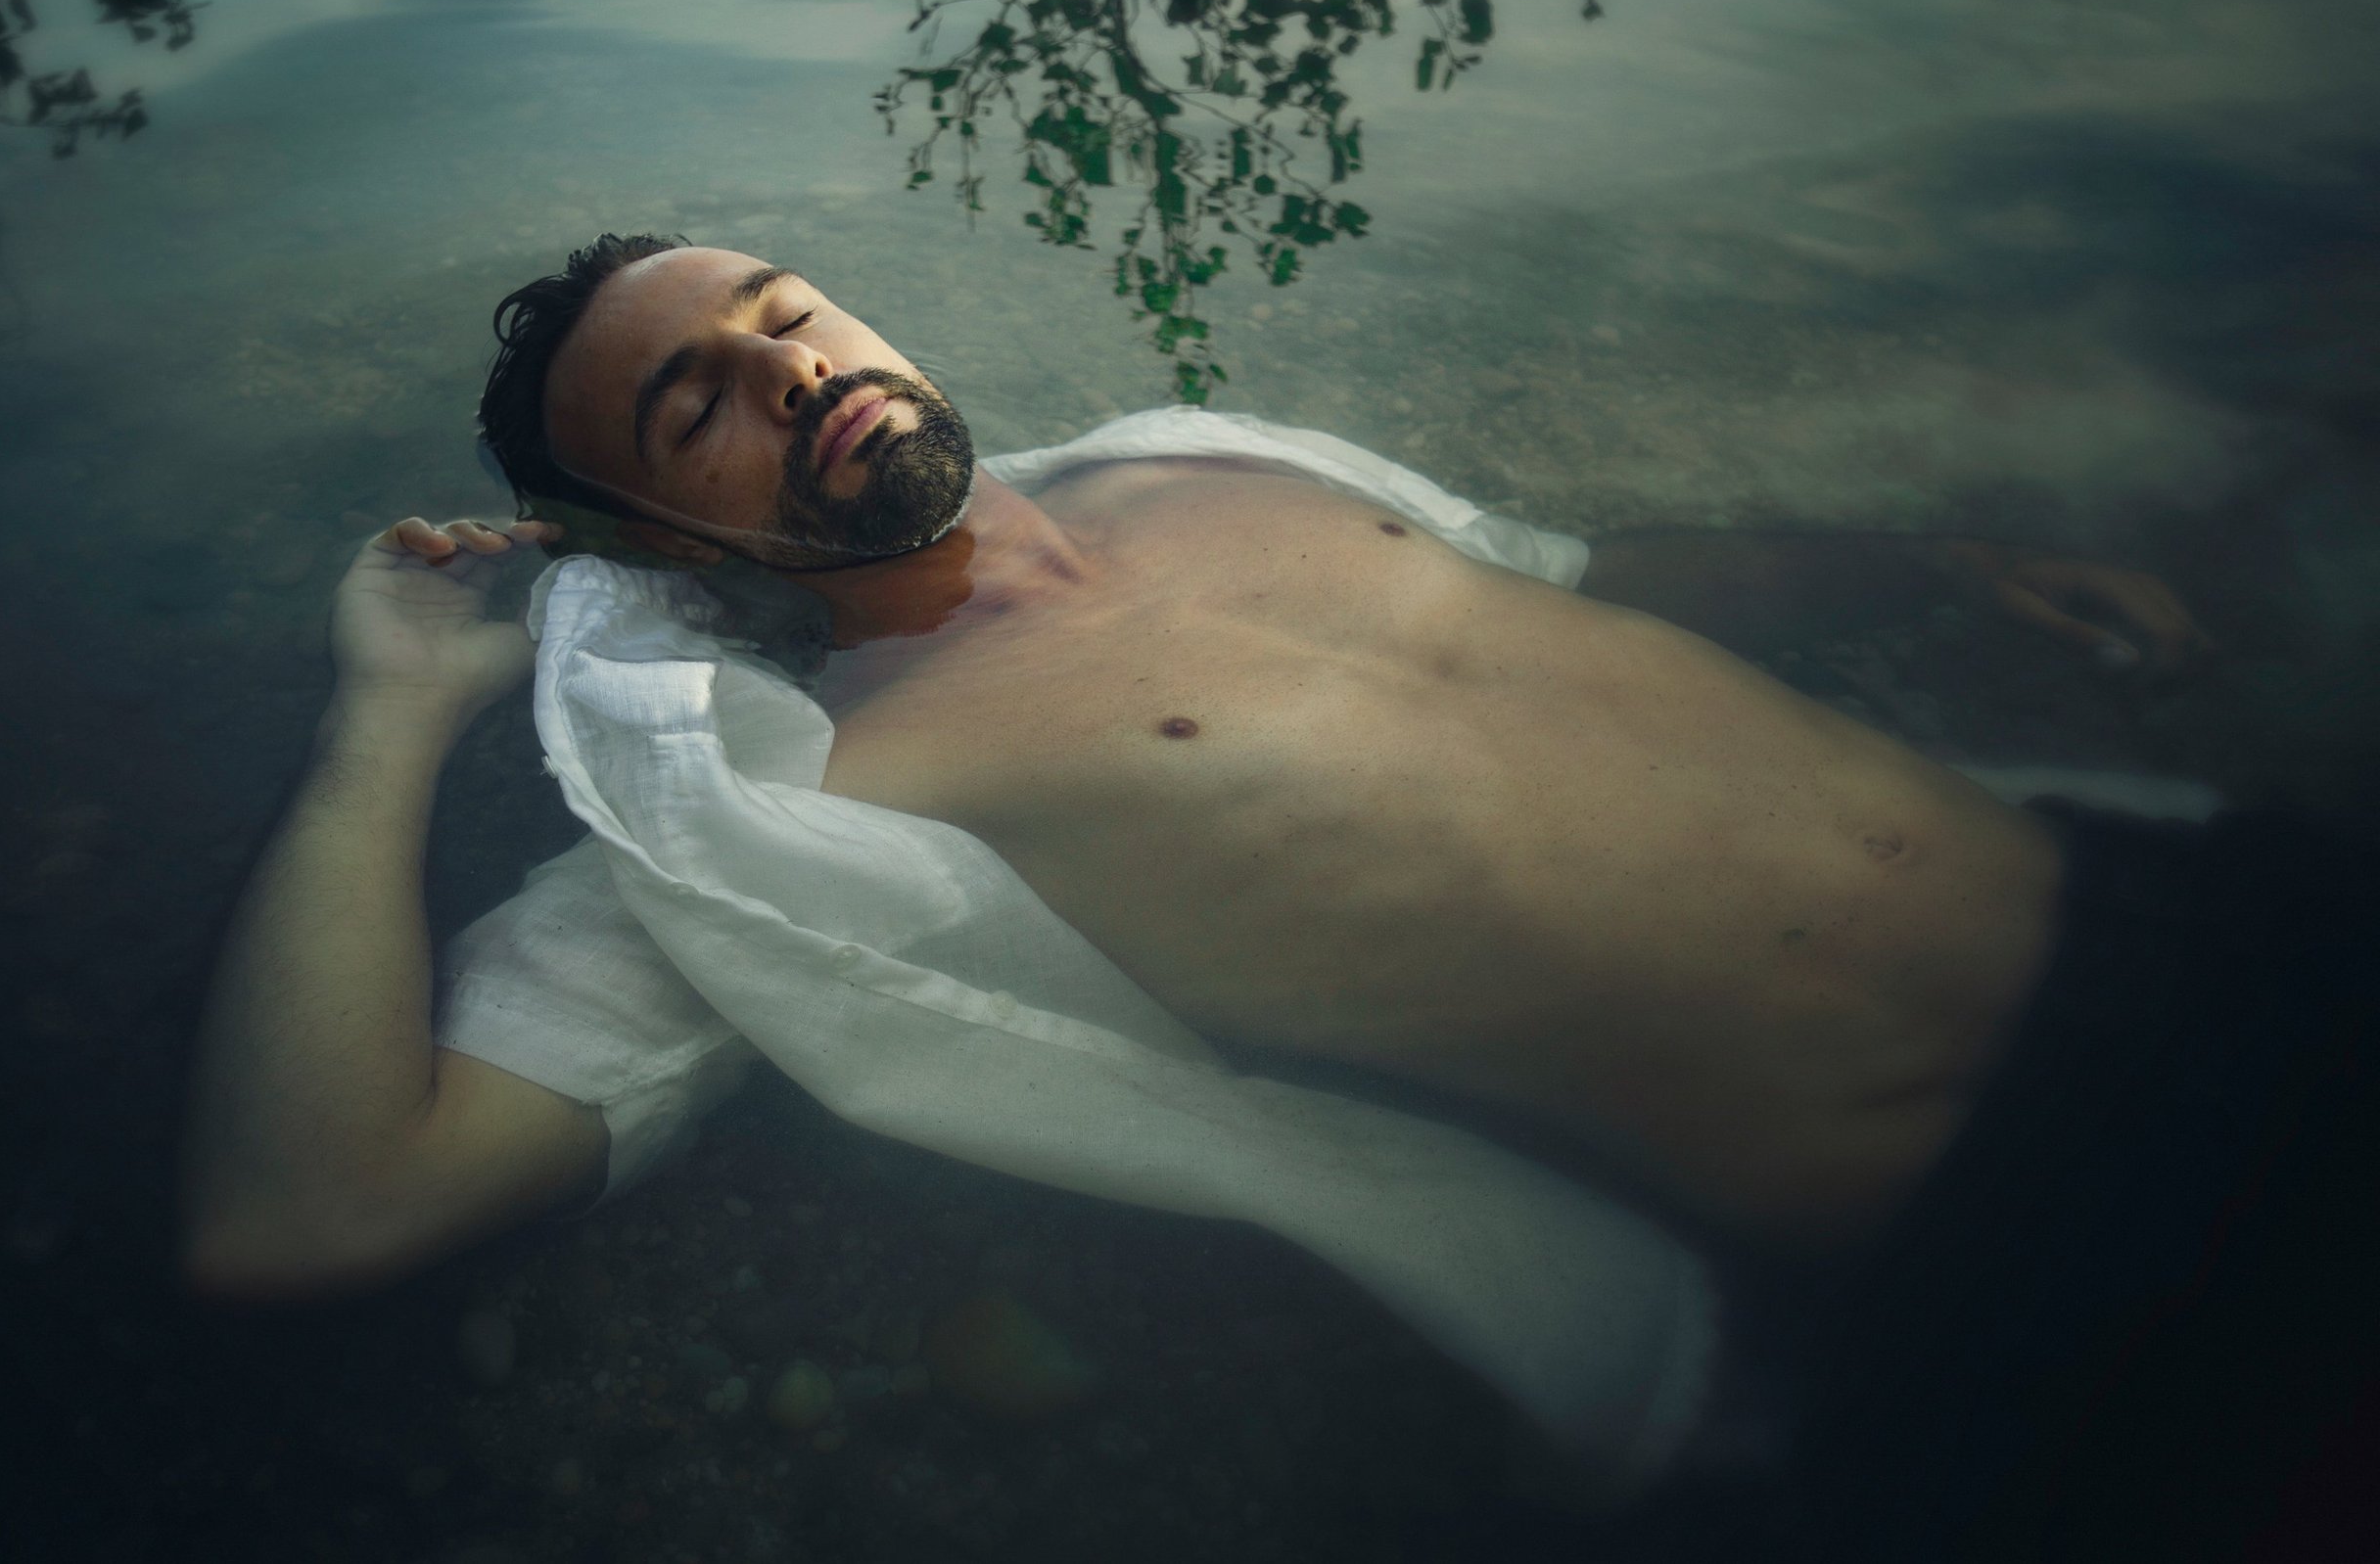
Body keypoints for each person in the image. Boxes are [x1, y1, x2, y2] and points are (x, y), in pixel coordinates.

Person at [177, 233, 2267, 1500]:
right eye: (694, 404)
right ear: (654, 542)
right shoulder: (810, 803)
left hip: (2168, 905)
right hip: (2013, 1196)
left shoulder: (1204, 457)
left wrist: (1932, 563)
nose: (793, 369)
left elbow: (1562, 575)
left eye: (784, 312)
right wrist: (389, 719)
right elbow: (311, 1209)